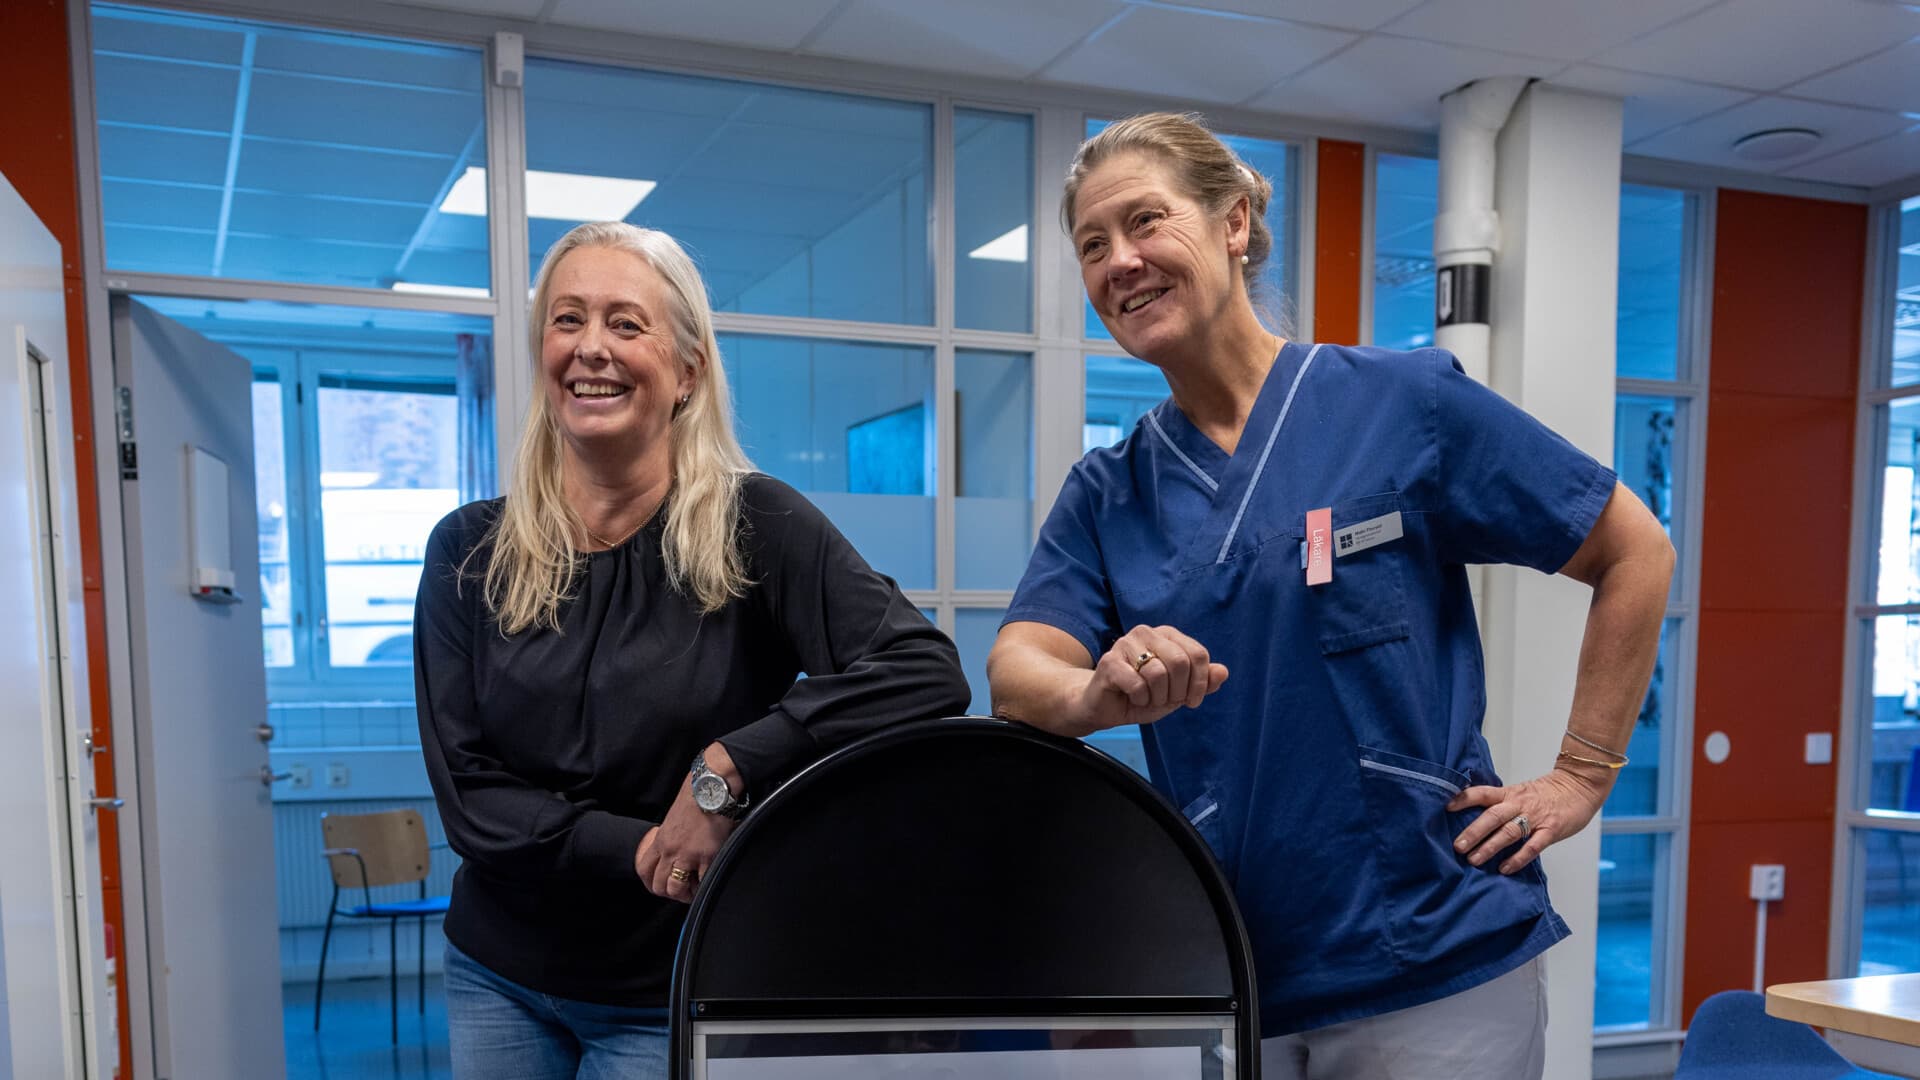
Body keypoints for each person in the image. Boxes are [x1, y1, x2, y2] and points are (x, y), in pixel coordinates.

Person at [987, 113, 1674, 1080]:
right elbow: (1019, 673)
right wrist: (1091, 694)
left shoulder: (1404, 406)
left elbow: (1633, 550)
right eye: (1093, 246)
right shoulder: (1109, 494)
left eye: (1147, 221)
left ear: (1234, 223)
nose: (1121, 262)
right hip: (1236, 966)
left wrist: (1583, 774)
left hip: (1434, 956)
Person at [415, 221, 970, 1079]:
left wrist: (730, 765)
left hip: (669, 989)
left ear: (686, 371)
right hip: (497, 977)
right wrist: (640, 849)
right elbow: (469, 792)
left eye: (626, 324)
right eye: (567, 321)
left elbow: (922, 670)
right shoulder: (469, 549)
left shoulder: (759, 526)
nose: (590, 348)